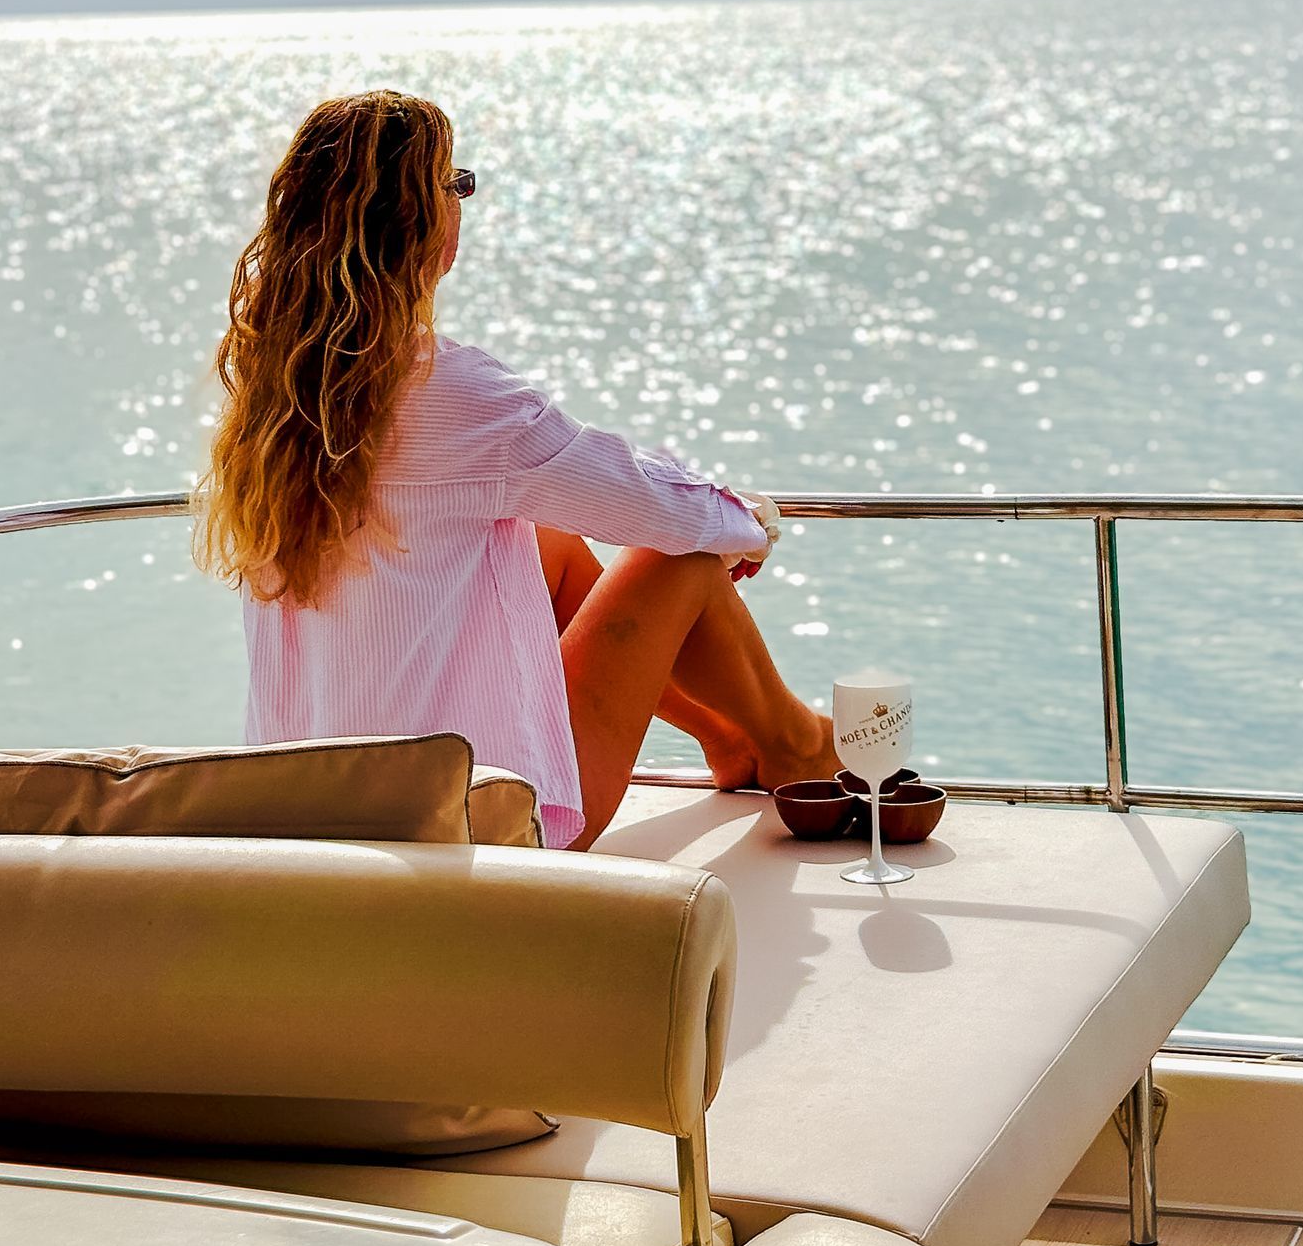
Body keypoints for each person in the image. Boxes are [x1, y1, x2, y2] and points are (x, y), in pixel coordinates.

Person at [194, 88, 836, 849]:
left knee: (549, 549)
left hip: (311, 819)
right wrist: (751, 525)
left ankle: (728, 738)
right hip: (477, 828)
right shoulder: (459, 397)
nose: (462, 202)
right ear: (425, 223)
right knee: (687, 564)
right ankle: (803, 746)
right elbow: (659, 511)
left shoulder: (273, 396)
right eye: (455, 184)